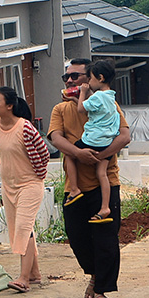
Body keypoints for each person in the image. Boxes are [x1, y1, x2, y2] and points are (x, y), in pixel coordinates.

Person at [48, 59, 131, 298]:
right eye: (67, 77)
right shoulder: (60, 109)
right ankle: (94, 275)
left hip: (105, 182)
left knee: (106, 240)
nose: (70, 81)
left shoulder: (108, 102)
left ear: (92, 79)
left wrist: (101, 155)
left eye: (76, 76)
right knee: (78, 238)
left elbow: (125, 136)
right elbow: (55, 138)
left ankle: (101, 291)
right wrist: (78, 153)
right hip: (75, 188)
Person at [0, 86, 50, 293]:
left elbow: (44, 154)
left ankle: (23, 278)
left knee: (23, 227)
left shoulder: (26, 128)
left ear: (10, 105)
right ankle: (35, 273)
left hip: (30, 184)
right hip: (9, 185)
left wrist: (38, 177)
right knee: (19, 229)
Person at [62, 59, 120, 223]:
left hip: (93, 139)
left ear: (100, 78)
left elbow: (81, 109)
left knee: (70, 154)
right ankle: (105, 208)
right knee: (102, 174)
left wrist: (82, 93)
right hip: (106, 141)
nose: (89, 82)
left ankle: (74, 190)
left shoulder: (98, 96)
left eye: (91, 79)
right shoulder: (110, 97)